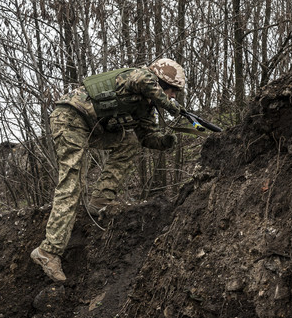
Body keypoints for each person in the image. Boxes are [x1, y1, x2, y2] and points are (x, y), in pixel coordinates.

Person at [30, 58, 186, 281]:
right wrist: (170, 106)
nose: (172, 96)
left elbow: (146, 137)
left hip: (93, 126)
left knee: (129, 142)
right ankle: (48, 251)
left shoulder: (145, 105)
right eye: (171, 91)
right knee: (72, 182)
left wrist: (166, 141)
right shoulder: (139, 76)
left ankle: (99, 202)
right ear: (160, 82)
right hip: (70, 117)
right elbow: (143, 80)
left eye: (175, 94)